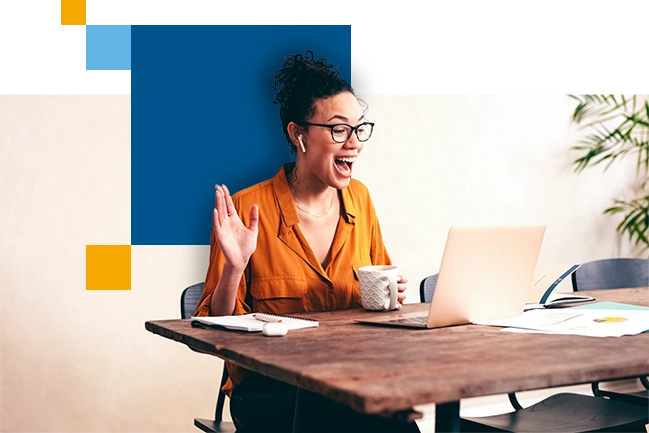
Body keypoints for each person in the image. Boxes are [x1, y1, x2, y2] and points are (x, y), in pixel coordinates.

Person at [194, 51, 418, 433]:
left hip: (351, 378)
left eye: (359, 128)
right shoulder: (247, 209)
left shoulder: (360, 200)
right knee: (358, 417)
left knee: (390, 413)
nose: (354, 143)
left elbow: (384, 305)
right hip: (271, 392)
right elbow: (211, 332)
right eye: (338, 129)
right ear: (298, 134)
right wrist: (234, 267)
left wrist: (390, 296)